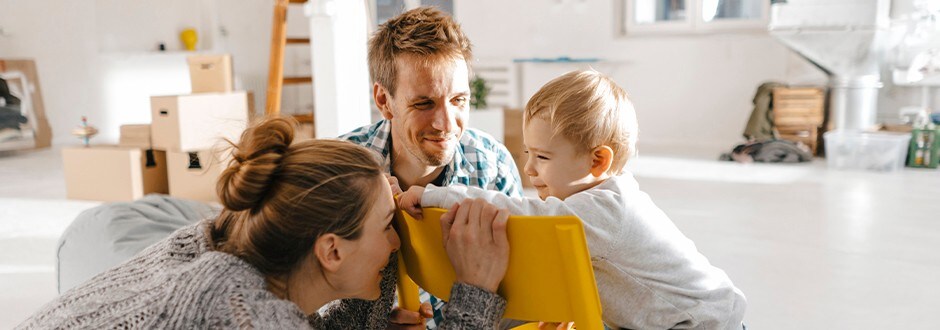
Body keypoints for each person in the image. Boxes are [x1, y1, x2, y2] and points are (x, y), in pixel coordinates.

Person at [17, 118, 512, 329]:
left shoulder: (217, 242)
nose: (396, 240)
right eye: (388, 225)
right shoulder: (243, 315)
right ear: (331, 250)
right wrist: (474, 294)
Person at [399, 70, 748, 329]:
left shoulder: (609, 209)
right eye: (528, 153)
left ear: (598, 162)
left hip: (704, 322)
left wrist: (436, 195)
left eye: (543, 157)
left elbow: (522, 212)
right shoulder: (590, 205)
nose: (529, 169)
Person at [339, 7, 524, 327]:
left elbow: (518, 292)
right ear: (384, 101)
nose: (446, 124)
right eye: (424, 103)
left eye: (458, 101)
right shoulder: (340, 169)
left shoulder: (493, 165)